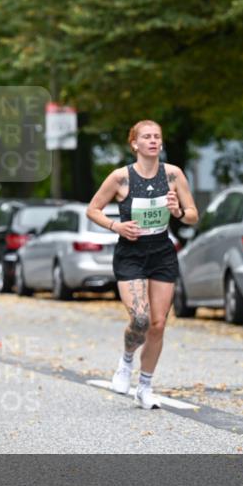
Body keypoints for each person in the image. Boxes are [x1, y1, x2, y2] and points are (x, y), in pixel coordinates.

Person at [86, 120, 198, 409]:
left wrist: (178, 211)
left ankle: (145, 386)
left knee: (159, 325)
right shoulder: (120, 178)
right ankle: (125, 363)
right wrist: (116, 226)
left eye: (157, 136)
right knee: (140, 318)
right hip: (131, 253)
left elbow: (193, 216)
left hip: (161, 251)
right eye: (146, 137)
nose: (153, 141)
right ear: (134, 143)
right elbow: (92, 209)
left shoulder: (173, 175)